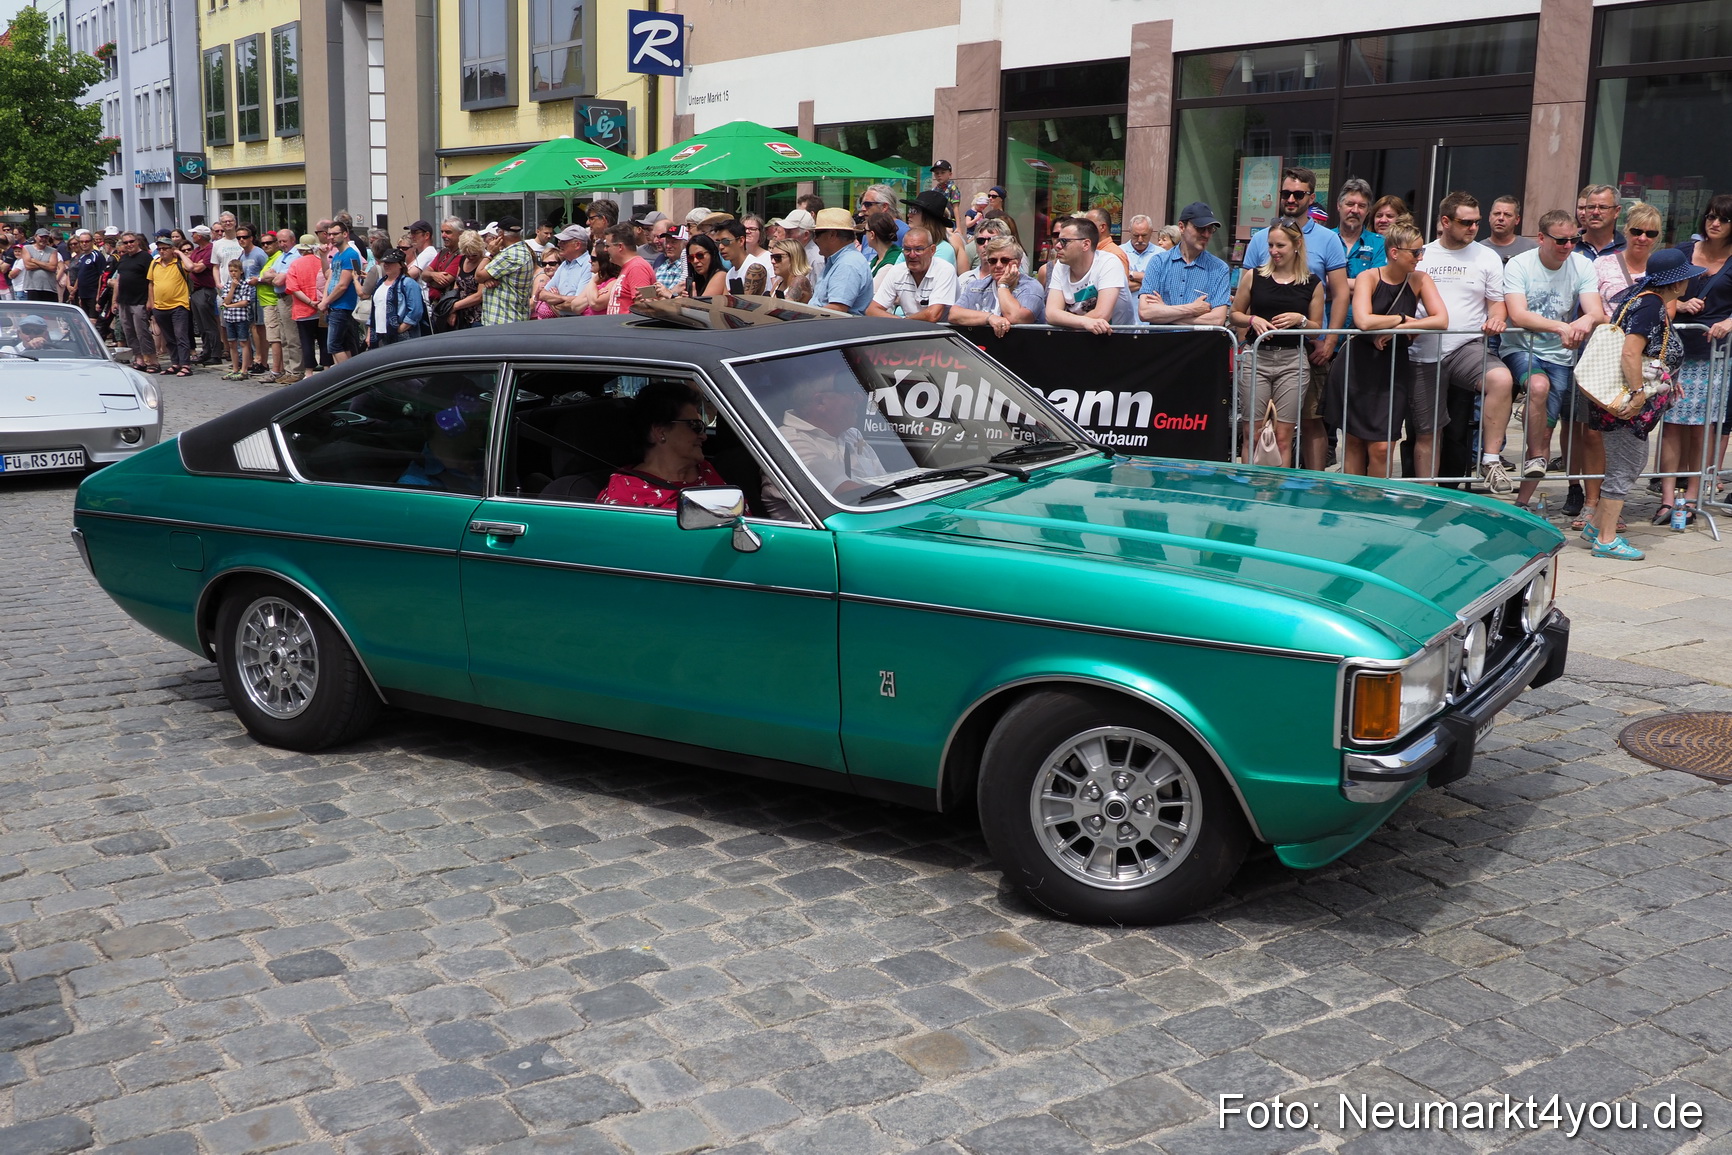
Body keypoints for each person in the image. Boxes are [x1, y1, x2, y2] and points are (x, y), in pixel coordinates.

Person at [1585, 247, 1699, 560]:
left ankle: (1596, 527)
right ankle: (1606, 540)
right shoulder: (1650, 305)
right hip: (1626, 402)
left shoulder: (1640, 297)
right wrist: (1637, 394)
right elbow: (1630, 352)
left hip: (1620, 398)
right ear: (1675, 284)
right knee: (1626, 465)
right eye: (1685, 278)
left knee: (1628, 462)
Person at [1500, 210, 1605, 508]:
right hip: (1521, 346)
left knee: (1547, 428)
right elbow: (1518, 315)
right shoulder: (1520, 263)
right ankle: (1535, 456)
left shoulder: (1582, 265)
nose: (1568, 246)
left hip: (1560, 354)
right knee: (1537, 386)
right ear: (1542, 238)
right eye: (1561, 240)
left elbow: (1594, 310)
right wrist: (1562, 326)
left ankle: (1522, 501)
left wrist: (1586, 322)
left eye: (1574, 239)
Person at [1329, 219, 1449, 477]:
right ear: (1394, 253)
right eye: (1415, 252)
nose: (1420, 257)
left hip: (1393, 367)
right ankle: (1351, 501)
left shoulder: (1420, 279)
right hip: (1359, 365)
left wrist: (1395, 329)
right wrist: (1403, 320)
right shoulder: (1368, 277)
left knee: (1383, 447)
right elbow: (1363, 320)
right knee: (1353, 443)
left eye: (1421, 251)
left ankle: (1376, 505)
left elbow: (1441, 319)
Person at [1409, 192, 1511, 485]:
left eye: (1477, 222)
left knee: (1501, 380)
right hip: (1422, 352)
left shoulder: (1486, 255)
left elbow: (1496, 302)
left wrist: (1498, 317)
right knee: (1427, 432)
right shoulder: (1423, 253)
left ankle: (1490, 459)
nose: (1473, 228)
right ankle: (1425, 494)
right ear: (1445, 221)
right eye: (1465, 222)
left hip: (1465, 347)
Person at [1240, 168, 1351, 381]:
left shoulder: (1328, 239)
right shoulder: (1260, 239)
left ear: (1311, 198)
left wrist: (1329, 341)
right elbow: (1244, 299)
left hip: (1311, 345)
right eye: (1285, 193)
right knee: (1255, 415)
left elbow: (1340, 294)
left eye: (1298, 194)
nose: (1291, 199)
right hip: (1260, 347)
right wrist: (1243, 341)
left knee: (1309, 414)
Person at [1662, 195, 1732, 527]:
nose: (1714, 223)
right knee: (1672, 424)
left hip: (1714, 353)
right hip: (1676, 348)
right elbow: (1660, 291)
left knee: (1703, 427)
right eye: (1711, 216)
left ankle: (1691, 497)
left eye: (1723, 219)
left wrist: (1729, 322)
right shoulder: (1683, 253)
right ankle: (1665, 499)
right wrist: (1682, 303)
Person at [1232, 220, 1325, 465]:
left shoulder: (1313, 283)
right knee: (1252, 433)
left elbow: (1317, 329)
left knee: (1284, 437)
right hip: (1257, 356)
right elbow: (1235, 313)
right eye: (1271, 245)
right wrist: (1253, 319)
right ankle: (1249, 489)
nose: (1274, 251)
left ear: (1297, 244)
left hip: (1293, 361)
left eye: (1280, 245)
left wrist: (1301, 320)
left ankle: (1278, 495)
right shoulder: (1254, 276)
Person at [597, 381, 725, 508]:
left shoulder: (705, 470)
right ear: (660, 432)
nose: (704, 436)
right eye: (695, 426)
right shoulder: (624, 493)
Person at [1139, 202, 1231, 327]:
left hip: (1199, 344)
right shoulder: (1159, 262)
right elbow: (1145, 312)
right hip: (1161, 343)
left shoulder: (1219, 268)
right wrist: (1192, 309)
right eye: (1200, 228)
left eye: (1210, 229)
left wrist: (1164, 312)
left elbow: (1216, 320)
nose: (1206, 234)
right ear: (1181, 227)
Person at [1046, 216, 1133, 333]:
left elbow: (1102, 314)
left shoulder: (1109, 262)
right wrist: (1084, 322)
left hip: (1118, 340)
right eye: (1057, 240)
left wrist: (1068, 322)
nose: (1057, 246)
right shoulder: (1061, 266)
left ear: (1086, 244)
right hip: (1080, 340)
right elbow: (1051, 313)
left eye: (1064, 241)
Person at [950, 238, 1044, 336]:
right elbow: (954, 314)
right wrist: (990, 318)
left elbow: (1017, 318)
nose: (998, 265)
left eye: (1005, 260)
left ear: (1018, 262)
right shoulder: (976, 286)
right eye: (993, 261)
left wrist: (1003, 285)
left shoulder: (1031, 286)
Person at [867, 227, 959, 321]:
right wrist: (902, 323)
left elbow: (933, 315)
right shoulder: (897, 271)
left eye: (918, 249)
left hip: (942, 332)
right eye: (907, 249)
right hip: (909, 330)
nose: (912, 255)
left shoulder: (944, 270)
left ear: (932, 250)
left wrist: (904, 323)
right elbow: (872, 310)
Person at [109, 233, 158, 374]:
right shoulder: (123, 259)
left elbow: (151, 281)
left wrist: (150, 300)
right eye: (126, 242)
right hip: (124, 301)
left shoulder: (145, 257)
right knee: (129, 332)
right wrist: (114, 301)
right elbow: (118, 281)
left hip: (139, 300)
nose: (129, 244)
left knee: (142, 332)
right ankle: (139, 359)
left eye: (131, 241)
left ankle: (152, 360)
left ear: (137, 242)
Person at [808, 209, 874, 315]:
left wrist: (804, 316)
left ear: (832, 235)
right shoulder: (840, 260)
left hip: (833, 328)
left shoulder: (847, 264)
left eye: (817, 234)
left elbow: (837, 309)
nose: (815, 239)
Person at [315, 219, 364, 362]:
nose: (331, 237)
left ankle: (346, 377)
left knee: (334, 345)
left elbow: (343, 284)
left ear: (345, 234)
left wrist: (326, 302)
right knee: (345, 344)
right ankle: (351, 374)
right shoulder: (337, 255)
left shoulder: (351, 254)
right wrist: (323, 257)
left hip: (342, 306)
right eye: (329, 234)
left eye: (335, 234)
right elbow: (329, 277)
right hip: (334, 305)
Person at [146, 236, 195, 376]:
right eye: (160, 249)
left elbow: (191, 267)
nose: (161, 251)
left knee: (181, 335)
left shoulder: (179, 262)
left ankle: (185, 364)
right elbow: (151, 284)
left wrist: (179, 253)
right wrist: (152, 303)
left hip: (179, 305)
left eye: (165, 248)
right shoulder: (155, 263)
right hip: (160, 307)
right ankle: (175, 363)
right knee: (169, 338)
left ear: (171, 249)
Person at [282, 235, 326, 376]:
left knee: (306, 342)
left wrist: (309, 302)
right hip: (322, 308)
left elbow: (293, 288)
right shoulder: (322, 262)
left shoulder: (295, 264)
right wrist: (319, 302)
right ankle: (327, 369)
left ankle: (309, 372)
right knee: (324, 340)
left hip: (303, 310)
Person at [369, 249, 425, 348]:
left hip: (402, 335)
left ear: (400, 265)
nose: (386, 265)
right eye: (385, 262)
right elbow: (375, 308)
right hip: (380, 334)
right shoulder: (380, 283)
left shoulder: (408, 283)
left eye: (390, 263)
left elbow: (416, 311)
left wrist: (401, 328)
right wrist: (370, 332)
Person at [599, 223, 656, 314]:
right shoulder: (628, 267)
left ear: (620, 247)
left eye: (608, 246)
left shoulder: (637, 268)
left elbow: (643, 307)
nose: (605, 250)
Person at [907, 191, 968, 273]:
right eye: (910, 210)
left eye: (914, 211)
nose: (909, 215)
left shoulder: (944, 249)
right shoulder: (909, 245)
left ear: (928, 217)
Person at [219, 259, 256, 380]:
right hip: (229, 317)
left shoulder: (245, 284)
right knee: (232, 343)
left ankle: (244, 369)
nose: (233, 273)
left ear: (241, 271)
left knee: (243, 342)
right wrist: (232, 289)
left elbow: (244, 302)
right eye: (231, 271)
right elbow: (226, 300)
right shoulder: (228, 285)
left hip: (241, 317)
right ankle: (235, 368)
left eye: (235, 271)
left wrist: (229, 306)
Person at [1575, 184, 1626, 260]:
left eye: (1603, 207)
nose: (1595, 212)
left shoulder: (1626, 249)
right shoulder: (1569, 245)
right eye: (1591, 207)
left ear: (1617, 211)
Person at [1484, 197, 1538, 265]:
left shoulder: (1531, 248)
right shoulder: (1478, 250)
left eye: (1507, 215)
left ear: (1517, 220)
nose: (1501, 218)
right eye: (1497, 213)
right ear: (1489, 217)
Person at [13, 228, 61, 302]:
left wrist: (35, 261)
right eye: (41, 237)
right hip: (32, 287)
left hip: (49, 288)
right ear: (35, 237)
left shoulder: (53, 251)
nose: (43, 239)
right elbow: (28, 266)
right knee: (34, 312)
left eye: (46, 237)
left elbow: (53, 267)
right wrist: (46, 265)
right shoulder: (27, 248)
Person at [771, 208, 821, 280]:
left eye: (790, 232)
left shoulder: (816, 260)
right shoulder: (788, 255)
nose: (786, 236)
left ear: (806, 235)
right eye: (785, 231)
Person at [680, 232, 728, 297]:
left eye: (700, 255)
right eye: (691, 257)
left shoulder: (721, 275)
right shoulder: (699, 281)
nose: (695, 261)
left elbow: (703, 305)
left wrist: (670, 295)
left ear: (712, 254)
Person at [1123, 215, 1157, 291]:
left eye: (1144, 235)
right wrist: (1150, 282)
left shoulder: (1161, 254)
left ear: (1151, 232)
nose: (1140, 240)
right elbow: (1119, 285)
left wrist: (1132, 274)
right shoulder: (1119, 252)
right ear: (1129, 231)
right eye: (1136, 235)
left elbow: (1162, 283)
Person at [651, 226, 687, 294]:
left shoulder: (686, 267)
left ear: (685, 244)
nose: (668, 246)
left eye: (673, 242)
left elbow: (677, 293)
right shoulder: (662, 264)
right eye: (667, 242)